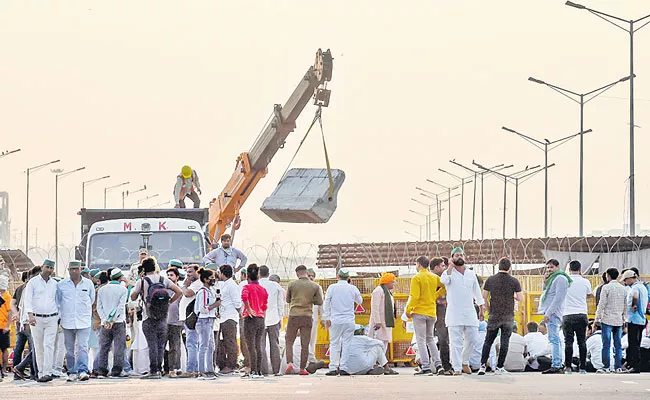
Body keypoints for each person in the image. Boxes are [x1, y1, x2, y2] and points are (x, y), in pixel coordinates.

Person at [130, 257, 182, 379]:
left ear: (144, 269)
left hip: (148, 316)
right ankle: (159, 369)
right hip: (163, 316)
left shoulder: (142, 281)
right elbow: (179, 291)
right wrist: (169, 302)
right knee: (160, 344)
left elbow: (133, 297)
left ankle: (154, 371)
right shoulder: (163, 279)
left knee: (152, 344)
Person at [440, 247, 485, 375]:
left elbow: (477, 292)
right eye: (456, 255)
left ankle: (465, 361)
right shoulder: (448, 273)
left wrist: (481, 309)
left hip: (470, 312)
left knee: (473, 338)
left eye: (461, 255)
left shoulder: (471, 273)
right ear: (452, 258)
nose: (459, 257)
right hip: (454, 313)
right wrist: (450, 267)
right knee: (455, 342)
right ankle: (458, 368)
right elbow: (443, 281)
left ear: (464, 257)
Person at [478, 257, 523, 375]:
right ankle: (499, 367)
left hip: (494, 315)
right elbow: (520, 298)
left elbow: (484, 297)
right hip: (508, 316)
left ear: (499, 266)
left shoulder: (490, 280)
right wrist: (511, 295)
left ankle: (482, 366)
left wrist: (488, 309)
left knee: (488, 341)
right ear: (509, 267)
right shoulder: (514, 281)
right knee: (504, 342)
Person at [56, 260, 95, 382]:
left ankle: (82, 371)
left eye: (76, 269)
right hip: (67, 321)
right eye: (71, 269)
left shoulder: (88, 284)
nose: (74, 271)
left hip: (84, 320)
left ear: (80, 270)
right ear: (68, 270)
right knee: (69, 349)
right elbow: (58, 301)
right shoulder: (62, 285)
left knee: (83, 347)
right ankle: (72, 371)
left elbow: (91, 300)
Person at [406, 256, 445, 376]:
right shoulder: (434, 277)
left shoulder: (417, 278)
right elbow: (444, 287)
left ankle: (426, 367)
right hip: (431, 312)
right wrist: (435, 296)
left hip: (419, 312)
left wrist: (408, 310)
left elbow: (415, 296)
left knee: (421, 340)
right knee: (430, 339)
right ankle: (438, 365)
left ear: (418, 264)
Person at [23, 259, 59, 382]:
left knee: (49, 345)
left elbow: (58, 301)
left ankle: (48, 372)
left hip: (52, 318)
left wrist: (59, 316)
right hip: (36, 318)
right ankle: (41, 373)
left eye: (51, 268)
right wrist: (30, 315)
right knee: (39, 346)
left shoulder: (54, 284)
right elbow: (27, 300)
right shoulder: (33, 282)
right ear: (42, 267)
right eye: (47, 267)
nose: (49, 270)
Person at [322, 269, 363, 376]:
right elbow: (360, 301)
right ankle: (344, 367)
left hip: (335, 320)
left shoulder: (332, 287)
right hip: (349, 321)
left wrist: (326, 317)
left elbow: (326, 302)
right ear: (348, 277)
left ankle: (333, 368)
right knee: (346, 344)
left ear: (337, 276)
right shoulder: (352, 288)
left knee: (334, 343)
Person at [285, 265, 323, 375]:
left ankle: (290, 363)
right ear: (306, 272)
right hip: (307, 316)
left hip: (294, 315)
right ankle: (302, 368)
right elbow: (319, 302)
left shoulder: (292, 284)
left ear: (297, 274)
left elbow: (288, 300)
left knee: (289, 340)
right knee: (305, 343)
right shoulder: (314, 286)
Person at [538, 259, 571, 374]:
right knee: (554, 339)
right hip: (550, 312)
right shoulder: (553, 279)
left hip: (553, 313)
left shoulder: (561, 278)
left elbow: (558, 298)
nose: (549, 270)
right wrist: (545, 281)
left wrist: (548, 313)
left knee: (554, 339)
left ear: (557, 267)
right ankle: (557, 363)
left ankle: (557, 365)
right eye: (547, 268)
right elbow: (546, 292)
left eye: (551, 267)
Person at [96, 269, 128, 378]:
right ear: (120, 278)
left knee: (104, 347)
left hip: (104, 323)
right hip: (118, 322)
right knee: (119, 347)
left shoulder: (102, 290)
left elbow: (98, 307)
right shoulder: (123, 290)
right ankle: (117, 371)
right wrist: (113, 319)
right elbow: (121, 307)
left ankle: (102, 371)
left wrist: (105, 320)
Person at [561, 260, 592, 374]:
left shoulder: (565, 281)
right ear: (580, 269)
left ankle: (568, 367)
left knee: (568, 341)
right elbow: (589, 295)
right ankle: (582, 368)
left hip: (567, 314)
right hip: (581, 314)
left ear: (569, 269)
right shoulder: (585, 281)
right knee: (582, 341)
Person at [10, 267, 40, 381]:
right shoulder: (31, 288)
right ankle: (30, 371)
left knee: (19, 347)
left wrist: (16, 313)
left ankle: (17, 373)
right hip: (29, 322)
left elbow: (12, 303)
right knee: (35, 347)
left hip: (21, 322)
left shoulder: (20, 288)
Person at [594, 267, 626, 373]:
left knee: (606, 345)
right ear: (617, 276)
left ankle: (606, 366)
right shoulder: (623, 288)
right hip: (619, 320)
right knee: (618, 345)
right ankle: (618, 367)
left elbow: (601, 304)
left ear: (608, 276)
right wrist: (624, 319)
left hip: (607, 319)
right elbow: (626, 306)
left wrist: (596, 319)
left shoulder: (606, 288)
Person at [240, 264, 268, 379]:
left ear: (247, 276)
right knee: (258, 345)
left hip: (250, 318)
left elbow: (244, 297)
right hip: (260, 318)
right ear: (258, 276)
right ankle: (259, 371)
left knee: (251, 346)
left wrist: (249, 308)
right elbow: (265, 306)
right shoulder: (263, 289)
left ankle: (254, 371)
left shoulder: (247, 287)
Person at [621, 269, 648, 374]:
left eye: (626, 280)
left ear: (630, 279)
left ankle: (635, 366)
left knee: (633, 343)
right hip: (641, 319)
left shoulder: (635, 287)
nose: (625, 283)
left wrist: (633, 306)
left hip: (634, 319)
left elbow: (635, 298)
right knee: (637, 342)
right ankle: (635, 365)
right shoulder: (643, 287)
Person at [259, 265, 284, 376]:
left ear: (259, 273)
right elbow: (280, 304)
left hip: (259, 318)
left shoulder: (255, 285)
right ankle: (276, 369)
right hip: (274, 318)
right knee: (274, 344)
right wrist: (280, 317)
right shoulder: (276, 286)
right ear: (268, 274)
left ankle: (263, 369)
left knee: (261, 345)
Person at [178, 263, 203, 377]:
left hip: (191, 318)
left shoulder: (198, 284)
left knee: (191, 343)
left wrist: (184, 286)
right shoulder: (192, 284)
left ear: (197, 272)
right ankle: (196, 369)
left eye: (190, 272)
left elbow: (188, 294)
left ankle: (191, 370)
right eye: (187, 272)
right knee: (192, 343)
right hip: (187, 317)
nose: (188, 275)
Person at [194, 268, 219, 380]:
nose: (213, 280)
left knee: (211, 346)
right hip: (204, 320)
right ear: (205, 279)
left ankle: (210, 369)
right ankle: (202, 371)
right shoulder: (203, 292)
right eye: (211, 278)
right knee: (204, 346)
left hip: (210, 319)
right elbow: (202, 308)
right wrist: (215, 305)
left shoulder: (210, 290)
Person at [217, 264, 242, 375]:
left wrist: (238, 313)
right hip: (222, 317)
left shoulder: (231, 285)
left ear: (222, 273)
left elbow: (237, 302)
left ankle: (231, 365)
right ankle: (222, 364)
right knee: (222, 342)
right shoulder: (224, 284)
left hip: (230, 317)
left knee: (230, 341)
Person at [431, 257, 452, 373]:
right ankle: (445, 366)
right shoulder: (436, 279)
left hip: (433, 312)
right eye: (443, 266)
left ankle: (430, 365)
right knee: (443, 339)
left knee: (430, 339)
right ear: (436, 267)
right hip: (439, 312)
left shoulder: (440, 278)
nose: (445, 268)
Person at [164, 263, 184, 377]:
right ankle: (165, 368)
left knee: (174, 347)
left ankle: (174, 368)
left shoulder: (180, 291)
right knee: (162, 347)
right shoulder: (164, 290)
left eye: (171, 275)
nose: (169, 277)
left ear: (177, 277)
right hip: (164, 322)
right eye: (168, 275)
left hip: (176, 322)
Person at [369, 272, 397, 354]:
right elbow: (375, 308)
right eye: (392, 282)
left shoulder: (388, 292)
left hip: (386, 322)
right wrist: (377, 321)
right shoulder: (378, 291)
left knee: (384, 341)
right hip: (379, 322)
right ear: (387, 282)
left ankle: (382, 363)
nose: (394, 284)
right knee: (377, 342)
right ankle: (376, 362)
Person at [306, 268, 325, 373]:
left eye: (312, 275)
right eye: (309, 275)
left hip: (313, 318)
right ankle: (306, 362)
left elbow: (321, 304)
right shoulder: (301, 287)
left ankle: (311, 363)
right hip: (303, 317)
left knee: (312, 341)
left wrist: (323, 318)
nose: (311, 277)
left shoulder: (318, 288)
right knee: (304, 340)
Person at [0, 274, 12, 378]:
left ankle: (4, 369)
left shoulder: (7, 297)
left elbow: (10, 313)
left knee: (4, 349)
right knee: (4, 349)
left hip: (3, 327)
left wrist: (7, 326)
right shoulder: (7, 297)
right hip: (4, 327)